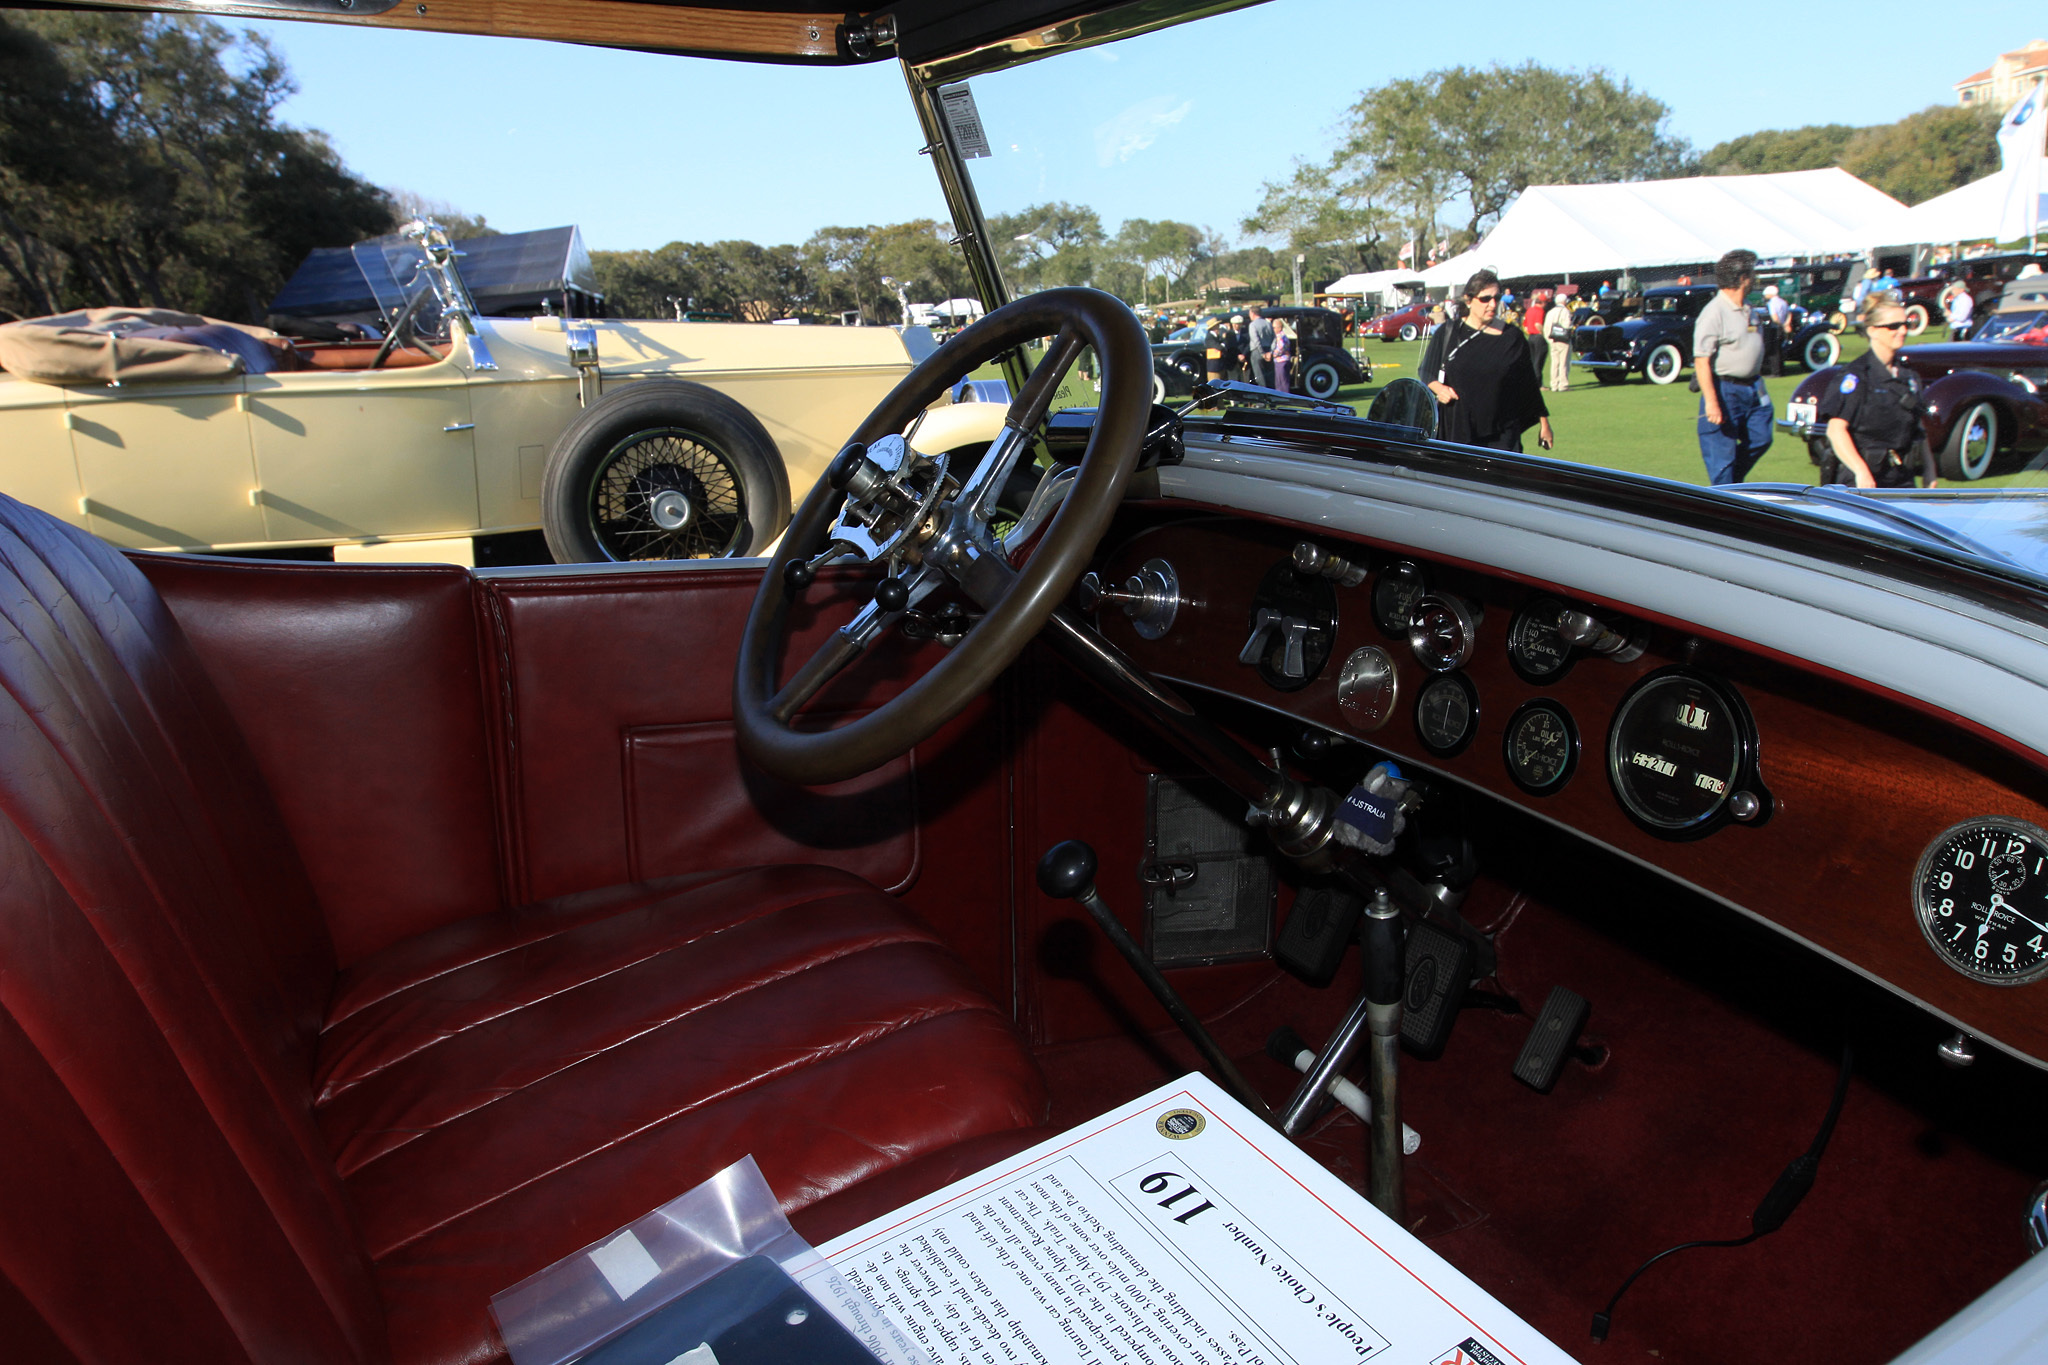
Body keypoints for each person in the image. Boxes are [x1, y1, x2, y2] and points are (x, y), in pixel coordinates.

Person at [1423, 269, 1554, 452]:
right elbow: (1426, 371)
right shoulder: (1448, 332)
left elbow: (1528, 384)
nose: (1492, 304)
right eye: (1485, 299)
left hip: (1502, 434)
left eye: (1496, 298)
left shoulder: (1512, 338)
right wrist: (1440, 388)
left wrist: (1544, 423)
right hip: (1457, 431)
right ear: (1469, 300)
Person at [1816, 301, 1938, 490]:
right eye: (1893, 326)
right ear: (1872, 331)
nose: (1903, 331)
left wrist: (1930, 470)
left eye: (1905, 324)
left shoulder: (1909, 376)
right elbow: (1836, 430)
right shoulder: (1857, 376)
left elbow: (1918, 428)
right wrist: (1861, 471)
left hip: (1902, 475)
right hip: (1862, 478)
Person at [1692, 248, 1773, 485]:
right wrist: (1711, 401)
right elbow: (1701, 360)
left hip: (1754, 387)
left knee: (1762, 437)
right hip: (1725, 389)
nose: (1755, 279)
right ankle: (1725, 499)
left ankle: (1734, 482)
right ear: (1741, 278)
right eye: (1752, 274)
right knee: (1721, 459)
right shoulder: (1714, 312)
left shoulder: (1748, 307)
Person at [1522, 292, 1548, 383]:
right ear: (1542, 302)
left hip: (1530, 337)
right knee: (1538, 361)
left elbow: (1524, 325)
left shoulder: (1529, 310)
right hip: (1538, 337)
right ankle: (1538, 383)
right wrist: (1544, 334)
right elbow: (1538, 324)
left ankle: (1532, 381)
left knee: (1533, 361)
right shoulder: (1540, 311)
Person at [1246, 306, 1275, 387]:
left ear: (1252, 313)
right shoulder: (1268, 323)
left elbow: (1256, 340)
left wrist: (1262, 353)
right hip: (1268, 350)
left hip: (1257, 351)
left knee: (1260, 377)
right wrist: (1270, 351)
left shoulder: (1252, 325)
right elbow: (1274, 339)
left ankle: (1263, 395)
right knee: (1269, 376)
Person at [1271, 319, 1295, 393]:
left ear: (1279, 328)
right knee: (1281, 380)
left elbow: (1280, 348)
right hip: (1281, 360)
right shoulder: (1281, 336)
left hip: (1281, 361)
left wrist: (1272, 355)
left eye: (1274, 327)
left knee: (1282, 381)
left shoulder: (1281, 337)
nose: (1273, 329)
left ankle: (1283, 396)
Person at [1229, 314, 1251, 382]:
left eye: (1237, 324)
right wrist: (1237, 355)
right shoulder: (1229, 334)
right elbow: (1229, 347)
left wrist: (1243, 354)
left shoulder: (1246, 333)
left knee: (1245, 379)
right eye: (1234, 324)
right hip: (1233, 361)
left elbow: (1249, 344)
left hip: (1244, 360)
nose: (1235, 326)